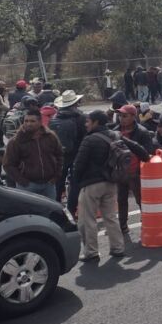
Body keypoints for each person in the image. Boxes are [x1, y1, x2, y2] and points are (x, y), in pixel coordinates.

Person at [69, 111, 127, 261]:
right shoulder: (115, 135)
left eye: (88, 121)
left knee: (87, 220)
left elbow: (79, 164)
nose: (86, 124)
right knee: (111, 217)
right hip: (111, 182)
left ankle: (91, 252)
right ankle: (118, 248)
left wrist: (76, 181)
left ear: (95, 122)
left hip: (91, 184)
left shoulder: (89, 140)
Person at [111, 104, 155, 236]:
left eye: (124, 116)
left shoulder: (141, 131)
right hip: (120, 172)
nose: (121, 118)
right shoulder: (115, 131)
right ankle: (123, 225)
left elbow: (148, 152)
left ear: (133, 116)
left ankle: (148, 221)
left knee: (141, 199)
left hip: (136, 172)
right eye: (120, 116)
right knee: (121, 199)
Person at [3, 110, 64, 200]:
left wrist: (56, 176)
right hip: (27, 186)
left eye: (32, 121)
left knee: (50, 212)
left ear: (40, 122)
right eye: (26, 121)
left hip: (48, 185)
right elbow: (8, 164)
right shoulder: (16, 141)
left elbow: (59, 155)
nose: (28, 124)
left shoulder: (51, 137)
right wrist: (22, 181)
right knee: (28, 212)